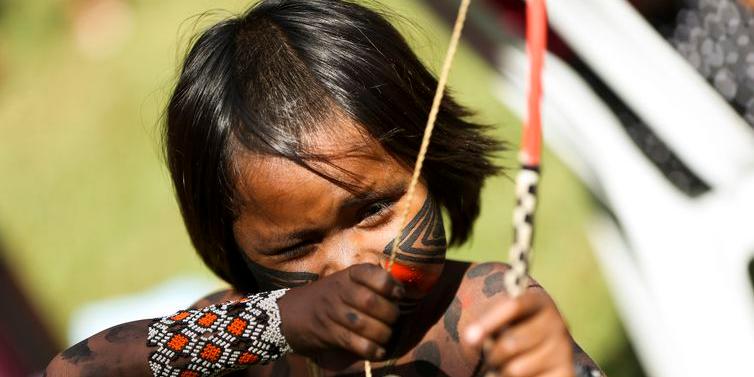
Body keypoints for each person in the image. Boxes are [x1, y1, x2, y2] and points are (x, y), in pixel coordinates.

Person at [46, 0, 603, 376]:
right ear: (232, 244)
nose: (349, 266)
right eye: (295, 245)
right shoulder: (243, 333)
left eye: (374, 209)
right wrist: (278, 323)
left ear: (430, 163)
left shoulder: (486, 313)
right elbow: (75, 370)